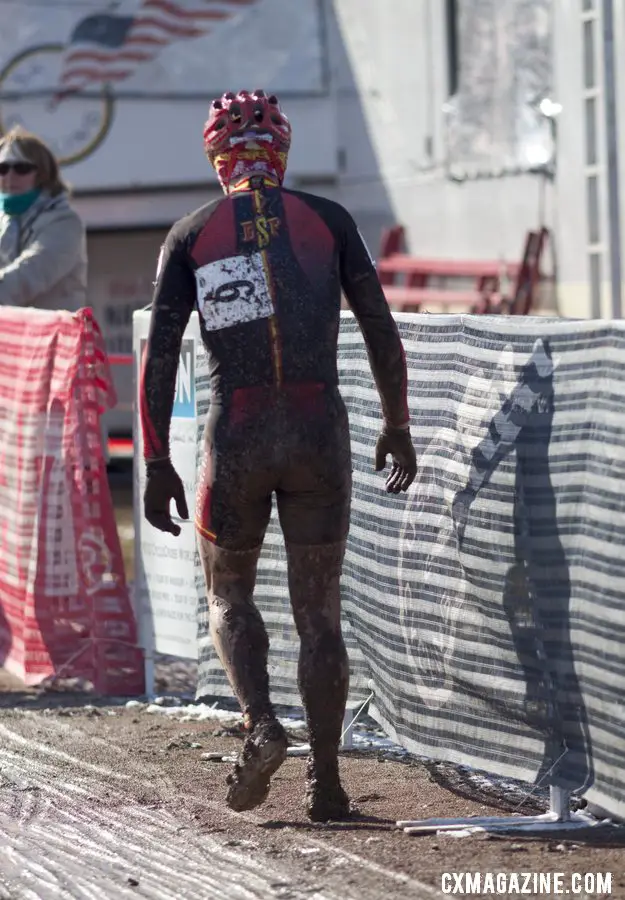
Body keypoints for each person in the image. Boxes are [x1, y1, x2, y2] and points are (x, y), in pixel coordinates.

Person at [140, 89, 417, 822]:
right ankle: (327, 784)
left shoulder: (191, 234)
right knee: (319, 612)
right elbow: (380, 329)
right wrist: (398, 424)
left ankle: (261, 723)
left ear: (215, 156)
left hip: (235, 435)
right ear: (281, 152)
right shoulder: (328, 221)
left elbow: (159, 359)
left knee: (228, 591)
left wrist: (157, 461)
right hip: (316, 430)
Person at [0, 126, 87, 310]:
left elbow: (29, 275)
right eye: (2, 168)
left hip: (52, 336)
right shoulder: (3, 220)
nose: (9, 176)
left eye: (21, 168)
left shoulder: (65, 223)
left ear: (42, 174)